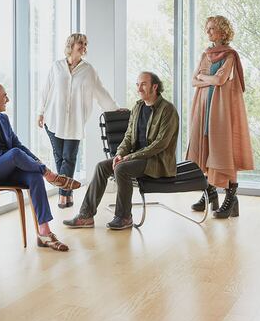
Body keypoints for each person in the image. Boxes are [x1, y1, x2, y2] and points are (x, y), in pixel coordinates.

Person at [0, 83, 82, 252]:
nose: (8, 99)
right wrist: (6, 155)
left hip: (10, 168)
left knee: (34, 176)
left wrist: (38, 163)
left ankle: (44, 233)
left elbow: (17, 145)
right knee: (13, 154)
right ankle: (52, 177)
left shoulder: (3, 118)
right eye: (4, 96)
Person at [63, 72, 179, 230]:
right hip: (135, 159)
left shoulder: (168, 110)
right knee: (101, 166)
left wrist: (129, 157)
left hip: (157, 161)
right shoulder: (138, 107)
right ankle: (86, 215)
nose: (139, 88)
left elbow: (160, 145)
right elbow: (129, 136)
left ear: (155, 86)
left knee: (122, 168)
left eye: (143, 84)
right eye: (137, 84)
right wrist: (119, 154)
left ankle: (124, 217)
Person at [38, 33, 119, 209]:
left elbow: (100, 91)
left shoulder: (88, 70)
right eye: (80, 43)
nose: (83, 46)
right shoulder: (57, 67)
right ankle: (67, 193)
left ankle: (63, 195)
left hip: (74, 122)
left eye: (85, 44)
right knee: (59, 157)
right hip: (53, 118)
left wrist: (114, 108)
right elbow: (46, 90)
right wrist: (40, 112)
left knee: (69, 157)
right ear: (71, 45)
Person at [187, 15, 254, 218]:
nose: (208, 32)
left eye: (212, 28)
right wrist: (210, 80)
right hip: (202, 106)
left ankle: (231, 198)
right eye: (206, 28)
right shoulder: (206, 54)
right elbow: (193, 81)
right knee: (203, 149)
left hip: (221, 110)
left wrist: (204, 78)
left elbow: (220, 79)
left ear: (223, 31)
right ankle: (210, 193)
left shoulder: (229, 55)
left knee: (223, 150)